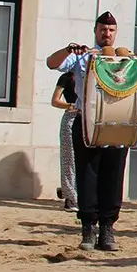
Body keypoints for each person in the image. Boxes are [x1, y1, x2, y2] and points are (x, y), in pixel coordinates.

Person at [46, 12, 137, 251]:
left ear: (115, 32)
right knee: (87, 176)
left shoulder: (127, 62)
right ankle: (88, 228)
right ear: (96, 31)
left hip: (118, 125)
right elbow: (52, 63)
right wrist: (69, 50)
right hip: (86, 123)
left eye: (110, 30)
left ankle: (108, 228)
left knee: (113, 177)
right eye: (102, 30)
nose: (106, 34)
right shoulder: (83, 57)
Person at [52, 72, 79, 212]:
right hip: (72, 116)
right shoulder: (67, 77)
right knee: (69, 159)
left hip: (90, 119)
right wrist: (72, 105)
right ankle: (70, 197)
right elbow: (55, 100)